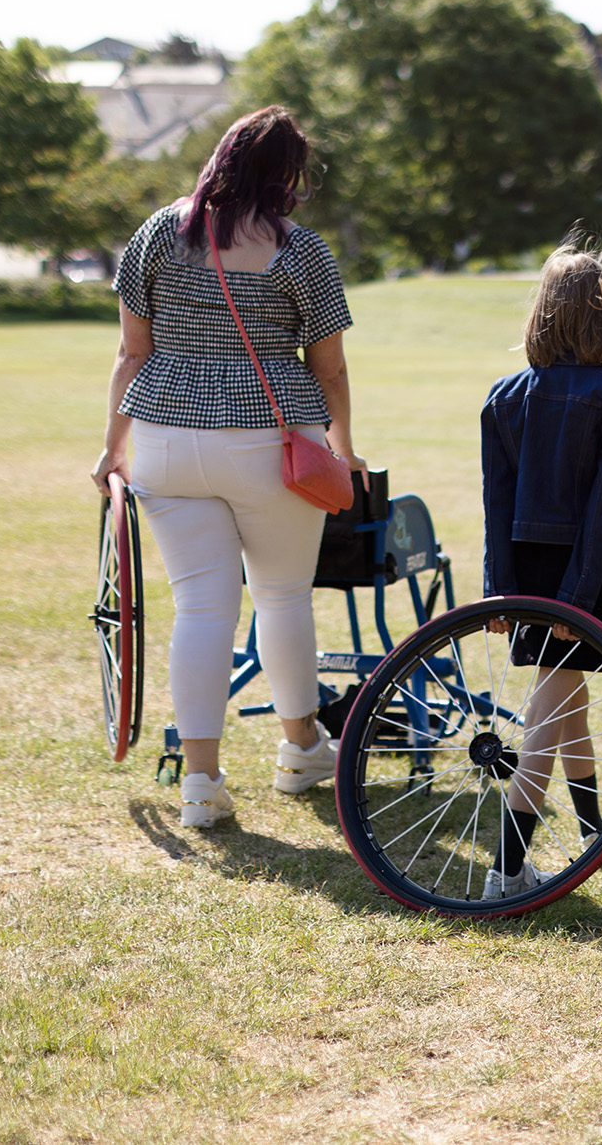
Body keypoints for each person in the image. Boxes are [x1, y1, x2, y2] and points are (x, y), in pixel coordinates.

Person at [89, 106, 368, 828]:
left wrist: (112, 443)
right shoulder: (300, 251)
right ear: (287, 175)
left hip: (164, 437)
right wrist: (340, 440)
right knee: (281, 595)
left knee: (202, 607)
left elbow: (131, 352)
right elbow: (329, 367)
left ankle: (203, 782)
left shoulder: (157, 232)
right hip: (270, 442)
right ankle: (302, 747)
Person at [478, 239, 602, 900]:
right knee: (549, 709)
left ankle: (589, 833)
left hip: (527, 569)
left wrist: (498, 588)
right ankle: (507, 867)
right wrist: (579, 599)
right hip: (586, 568)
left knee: (566, 696)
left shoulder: (503, 395)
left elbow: (496, 504)